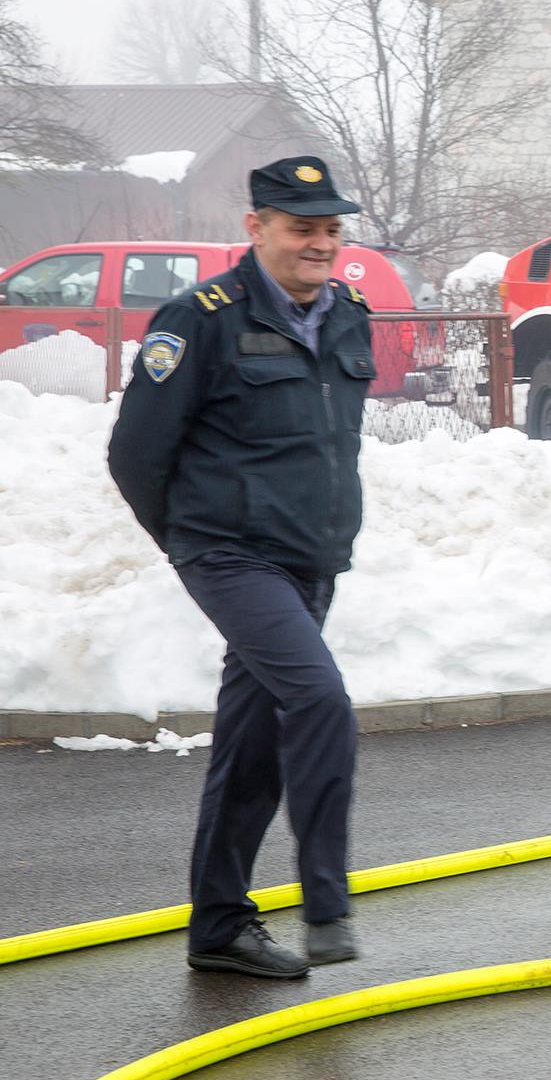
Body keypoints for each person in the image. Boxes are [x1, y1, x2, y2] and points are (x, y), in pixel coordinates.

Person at [107, 155, 375, 979]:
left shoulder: (348, 314)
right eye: (301, 229)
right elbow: (135, 453)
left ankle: (219, 925)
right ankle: (326, 902)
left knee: (252, 745)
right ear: (256, 228)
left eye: (330, 229)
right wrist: (192, 543)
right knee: (319, 698)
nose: (319, 243)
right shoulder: (200, 320)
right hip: (230, 553)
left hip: (312, 558)